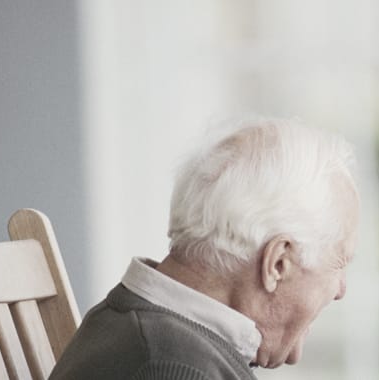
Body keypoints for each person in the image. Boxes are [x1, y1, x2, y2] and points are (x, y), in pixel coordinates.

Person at [49, 117, 360, 379]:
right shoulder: (170, 367)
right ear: (277, 263)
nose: (341, 289)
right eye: (339, 262)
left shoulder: (132, 327)